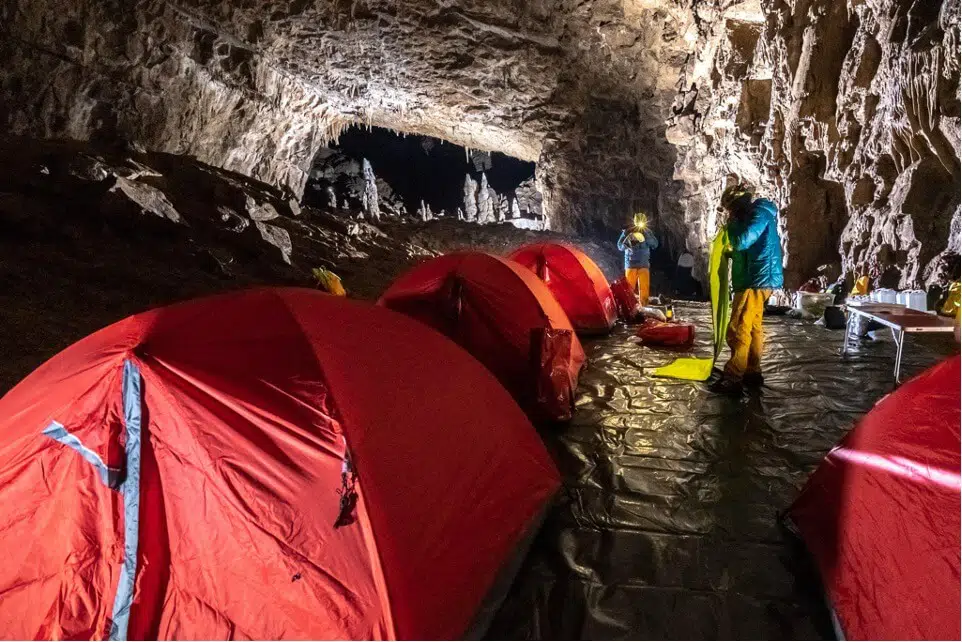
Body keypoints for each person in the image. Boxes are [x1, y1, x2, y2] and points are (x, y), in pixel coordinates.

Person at [713, 184, 784, 394]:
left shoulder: (758, 214)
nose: (730, 214)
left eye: (731, 210)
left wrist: (732, 227)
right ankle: (752, 371)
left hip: (756, 279)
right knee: (752, 326)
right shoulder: (754, 216)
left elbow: (743, 241)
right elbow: (744, 249)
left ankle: (733, 377)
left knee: (738, 328)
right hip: (755, 278)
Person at [617, 213, 659, 305]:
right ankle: (629, 305)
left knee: (644, 287)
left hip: (643, 264)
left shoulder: (647, 232)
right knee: (629, 288)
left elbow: (655, 244)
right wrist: (627, 242)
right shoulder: (627, 232)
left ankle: (643, 305)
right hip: (631, 264)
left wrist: (646, 236)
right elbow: (620, 247)